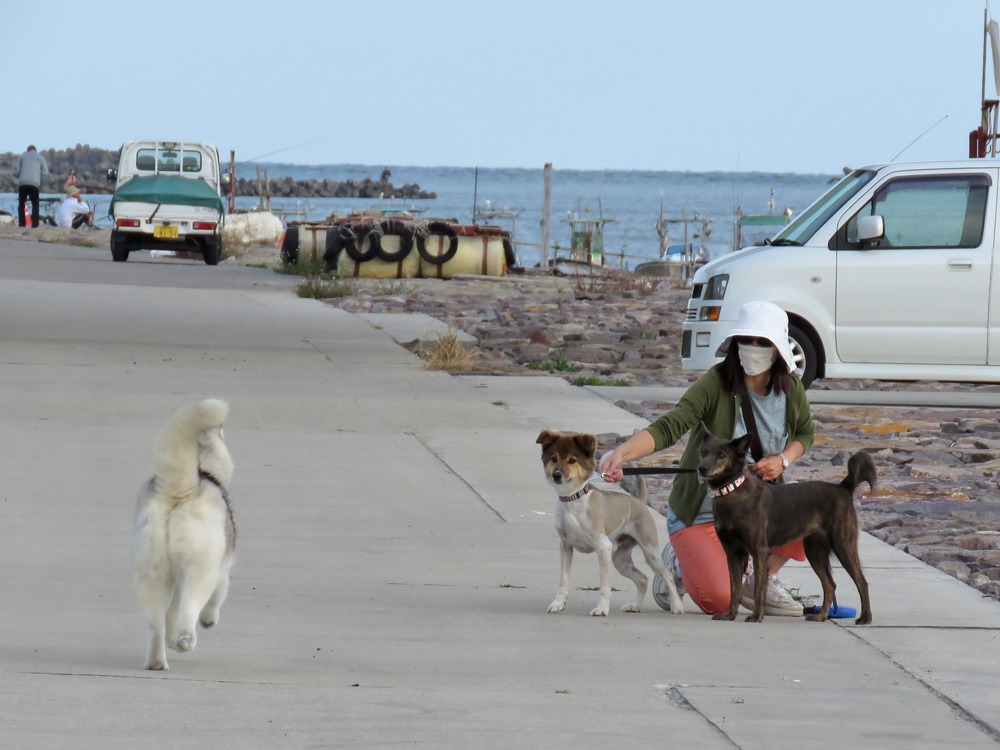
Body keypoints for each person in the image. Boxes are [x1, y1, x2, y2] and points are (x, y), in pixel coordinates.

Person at [600, 300, 815, 617]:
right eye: (747, 340)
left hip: (756, 507)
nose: (752, 348)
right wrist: (622, 453)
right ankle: (678, 561)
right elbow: (671, 425)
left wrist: (783, 460)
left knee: (815, 510)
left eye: (762, 342)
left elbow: (805, 434)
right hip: (703, 512)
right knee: (717, 599)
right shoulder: (715, 383)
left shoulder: (791, 389)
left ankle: (760, 578)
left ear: (777, 349)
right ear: (735, 343)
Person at [15, 145, 49, 228]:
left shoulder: (22, 157)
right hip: (34, 184)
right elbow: (45, 173)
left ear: (27, 150)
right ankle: (35, 225)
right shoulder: (41, 158)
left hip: (23, 184)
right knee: (35, 205)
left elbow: (16, 171)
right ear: (35, 150)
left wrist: (18, 176)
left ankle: (22, 224)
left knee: (21, 204)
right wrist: (40, 183)